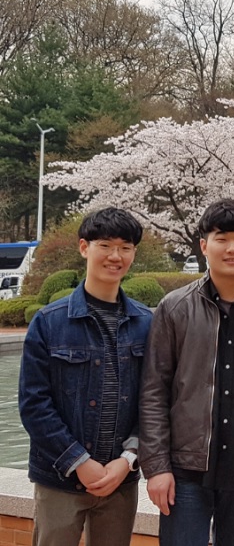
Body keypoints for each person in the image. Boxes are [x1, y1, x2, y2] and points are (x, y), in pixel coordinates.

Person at [139, 199, 234, 546]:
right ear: (204, 245)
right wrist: (156, 467)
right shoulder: (174, 308)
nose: (232, 248)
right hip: (186, 474)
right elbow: (154, 391)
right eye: (221, 238)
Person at [18, 207, 152, 546]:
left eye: (125, 247)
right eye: (105, 245)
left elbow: (154, 399)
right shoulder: (49, 322)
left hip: (120, 480)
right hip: (59, 478)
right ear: (83, 247)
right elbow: (34, 404)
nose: (115, 256)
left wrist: (129, 459)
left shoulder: (146, 324)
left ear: (134, 252)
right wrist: (78, 461)